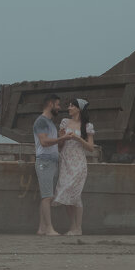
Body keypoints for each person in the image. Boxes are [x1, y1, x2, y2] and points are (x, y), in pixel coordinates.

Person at [52, 98, 96, 236]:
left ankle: (78, 227)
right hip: (65, 161)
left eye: (72, 106)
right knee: (65, 192)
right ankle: (73, 226)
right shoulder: (65, 122)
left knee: (75, 194)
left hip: (79, 163)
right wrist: (62, 137)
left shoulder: (87, 126)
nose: (69, 108)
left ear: (79, 109)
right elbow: (60, 146)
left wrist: (78, 138)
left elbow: (91, 148)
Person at [33, 94, 68, 236]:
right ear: (50, 104)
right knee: (47, 196)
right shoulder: (41, 122)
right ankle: (49, 228)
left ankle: (42, 228)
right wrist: (61, 138)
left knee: (48, 196)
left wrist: (61, 138)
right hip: (44, 162)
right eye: (58, 105)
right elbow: (44, 142)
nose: (59, 108)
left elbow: (56, 146)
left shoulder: (51, 123)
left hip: (52, 161)